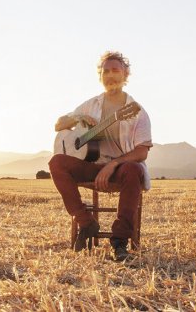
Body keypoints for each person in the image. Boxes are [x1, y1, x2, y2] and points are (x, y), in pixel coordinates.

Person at [48, 51, 152, 261]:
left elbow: (142, 151)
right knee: (56, 162)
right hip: (92, 166)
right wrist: (80, 117)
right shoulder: (91, 105)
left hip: (121, 171)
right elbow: (58, 125)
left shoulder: (135, 111)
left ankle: (119, 241)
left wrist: (113, 164)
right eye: (106, 71)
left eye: (116, 70)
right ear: (100, 75)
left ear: (126, 75)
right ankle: (86, 223)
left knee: (134, 169)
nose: (110, 75)